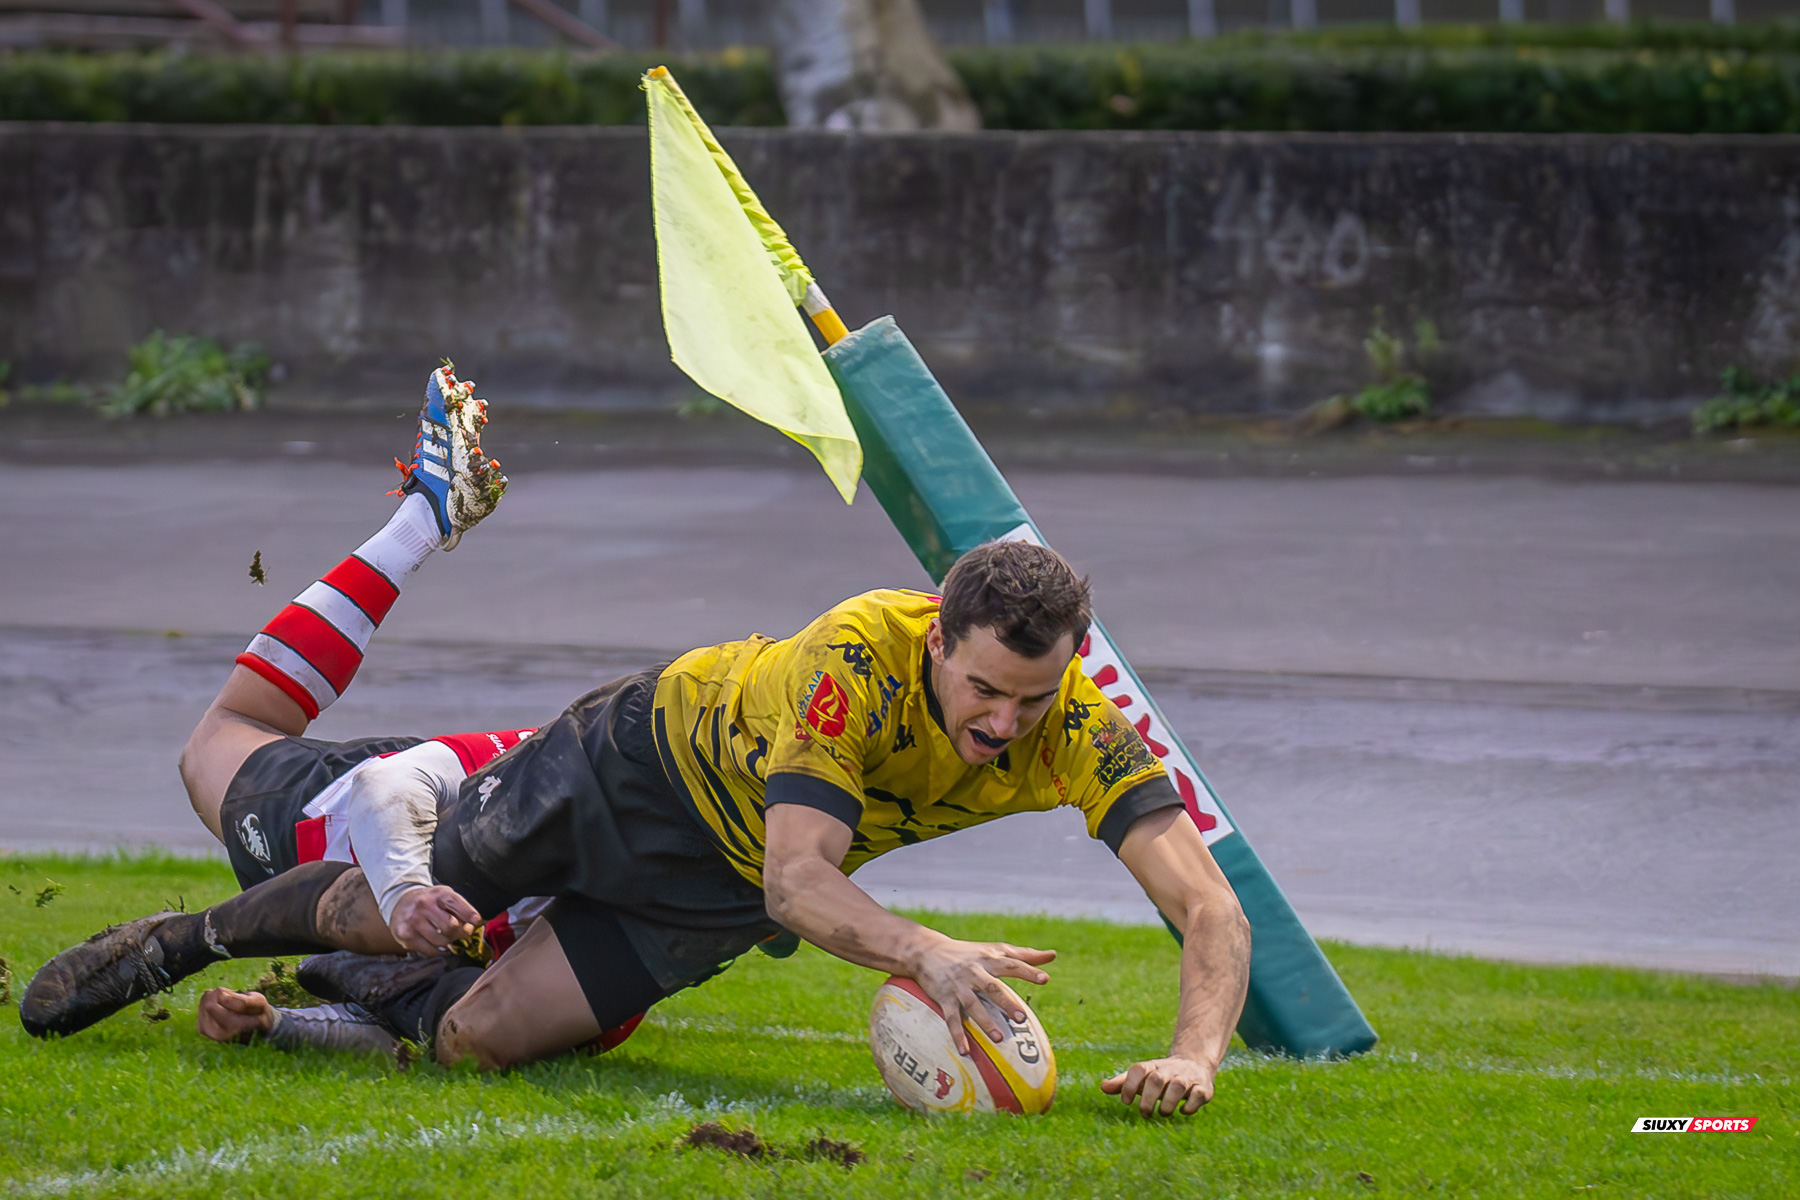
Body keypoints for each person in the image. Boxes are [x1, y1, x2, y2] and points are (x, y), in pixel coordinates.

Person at [24, 369, 1251, 1119]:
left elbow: (1208, 905)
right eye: (986, 691)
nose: (1006, 725)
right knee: (408, 897)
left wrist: (1194, 1058)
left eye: (1034, 701)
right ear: (939, 638)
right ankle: (186, 942)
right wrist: (925, 951)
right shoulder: (856, 662)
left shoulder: (1075, 725)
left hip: (715, 890)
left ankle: (313, 1008)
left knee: (479, 1041)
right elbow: (801, 878)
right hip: (627, 767)